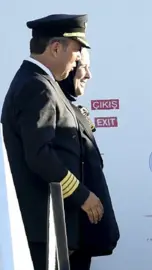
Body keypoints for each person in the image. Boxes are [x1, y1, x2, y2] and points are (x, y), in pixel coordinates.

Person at [1, 14, 104, 270]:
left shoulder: (46, 84)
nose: (78, 60)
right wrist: (82, 196)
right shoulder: (37, 86)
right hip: (45, 227)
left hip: (57, 226)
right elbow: (39, 155)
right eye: (77, 52)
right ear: (56, 47)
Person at [57, 48, 120, 270]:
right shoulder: (54, 105)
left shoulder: (72, 108)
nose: (88, 75)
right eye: (83, 66)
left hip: (80, 236)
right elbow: (44, 162)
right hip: (65, 234)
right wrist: (82, 196)